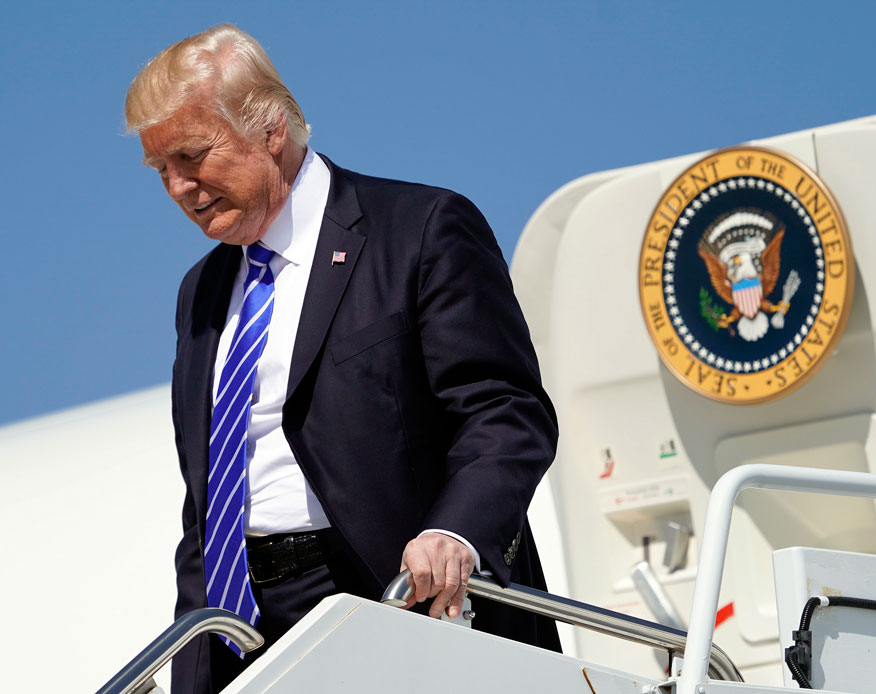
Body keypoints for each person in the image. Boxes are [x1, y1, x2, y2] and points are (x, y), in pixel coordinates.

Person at [125, 23, 560, 693]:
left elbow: (506, 414)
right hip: (246, 626)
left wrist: (456, 532)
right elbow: (206, 506)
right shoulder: (201, 292)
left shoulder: (419, 230)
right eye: (162, 170)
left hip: (393, 594)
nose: (180, 186)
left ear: (271, 128)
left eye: (192, 154)